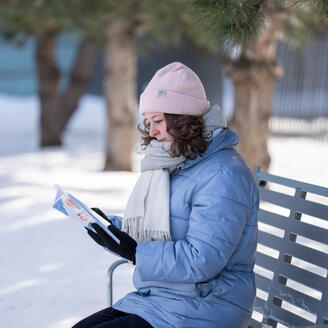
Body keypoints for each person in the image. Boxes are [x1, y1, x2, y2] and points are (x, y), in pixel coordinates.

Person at [72, 62, 259, 328]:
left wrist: (136, 251)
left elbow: (203, 259)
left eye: (158, 121)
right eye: (148, 122)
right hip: (165, 298)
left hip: (209, 304)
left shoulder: (223, 174)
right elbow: (162, 228)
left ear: (183, 119)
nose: (151, 131)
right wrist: (111, 230)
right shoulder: (177, 164)